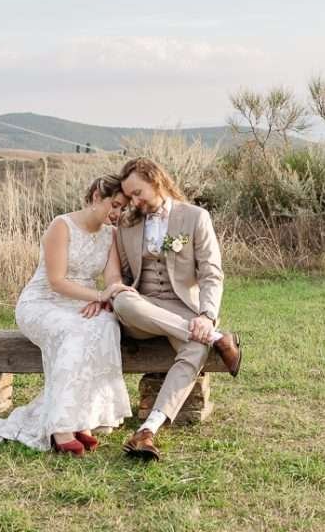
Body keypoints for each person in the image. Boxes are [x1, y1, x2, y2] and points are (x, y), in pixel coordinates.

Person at [0, 175, 135, 455]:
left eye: (122, 209)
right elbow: (56, 281)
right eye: (115, 205)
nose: (117, 213)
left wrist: (106, 299)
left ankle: (81, 418)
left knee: (106, 325)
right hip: (43, 302)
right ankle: (61, 428)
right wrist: (96, 296)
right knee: (75, 331)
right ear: (97, 196)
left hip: (81, 302)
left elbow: (112, 276)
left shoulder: (111, 234)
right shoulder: (62, 226)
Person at [112, 157, 242, 461]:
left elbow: (211, 273)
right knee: (122, 301)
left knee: (194, 348)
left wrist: (207, 315)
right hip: (141, 310)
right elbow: (125, 278)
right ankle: (216, 339)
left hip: (184, 308)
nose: (134, 201)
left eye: (137, 193)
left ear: (156, 181)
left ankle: (148, 430)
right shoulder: (126, 225)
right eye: (129, 195)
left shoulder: (196, 217)